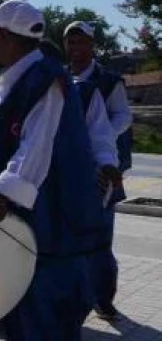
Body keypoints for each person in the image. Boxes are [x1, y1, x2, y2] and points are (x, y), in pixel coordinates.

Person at [0, 0, 107, 341]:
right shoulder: (17, 80)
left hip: (52, 239)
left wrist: (1, 194)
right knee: (25, 340)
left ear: (7, 36)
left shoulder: (44, 78)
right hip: (28, 237)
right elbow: (8, 147)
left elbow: (37, 146)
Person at [65, 20, 132, 320]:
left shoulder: (109, 80)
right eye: (71, 42)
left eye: (82, 42)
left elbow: (123, 117)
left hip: (102, 169)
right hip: (69, 172)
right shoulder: (60, 78)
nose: (76, 48)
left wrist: (101, 139)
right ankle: (75, 297)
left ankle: (103, 298)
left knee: (100, 237)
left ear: (93, 45)